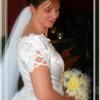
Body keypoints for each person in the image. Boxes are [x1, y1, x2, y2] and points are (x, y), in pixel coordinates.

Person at [3, 0, 75, 100]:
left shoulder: (37, 38)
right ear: (32, 8)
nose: (54, 15)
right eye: (48, 10)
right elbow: (45, 95)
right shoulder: (33, 43)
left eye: (57, 10)